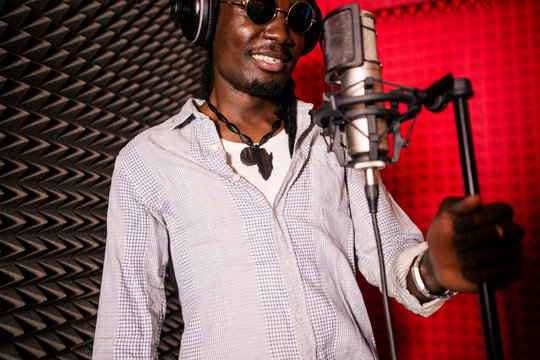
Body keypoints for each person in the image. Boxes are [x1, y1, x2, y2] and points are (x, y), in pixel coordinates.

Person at [92, 0, 524, 358]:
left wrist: (434, 270)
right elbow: (127, 324)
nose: (281, 34)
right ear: (205, 16)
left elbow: (392, 256)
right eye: (259, 8)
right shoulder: (149, 159)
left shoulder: (336, 135)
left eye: (296, 18)